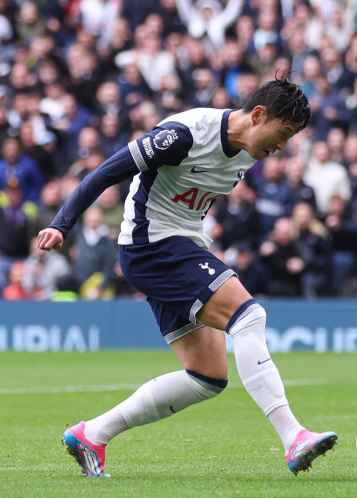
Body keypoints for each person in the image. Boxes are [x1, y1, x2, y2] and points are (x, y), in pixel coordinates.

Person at [37, 79, 337, 477]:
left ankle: (92, 433)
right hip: (152, 244)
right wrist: (62, 224)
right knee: (249, 318)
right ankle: (293, 437)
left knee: (207, 376)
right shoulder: (183, 136)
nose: (281, 147)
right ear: (259, 115)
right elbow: (107, 172)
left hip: (180, 245)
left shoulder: (250, 150)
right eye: (282, 134)